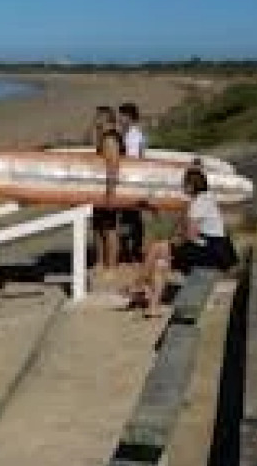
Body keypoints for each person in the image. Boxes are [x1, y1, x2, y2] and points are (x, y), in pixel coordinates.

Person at [134, 167, 238, 318]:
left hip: (211, 251)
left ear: (190, 186)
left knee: (158, 248)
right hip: (214, 248)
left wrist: (176, 244)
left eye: (184, 183)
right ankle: (152, 306)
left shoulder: (199, 203)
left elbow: (190, 234)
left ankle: (139, 285)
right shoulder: (205, 198)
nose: (182, 186)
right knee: (161, 261)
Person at [92, 107, 126, 289]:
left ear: (104, 119)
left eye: (97, 118)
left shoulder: (110, 139)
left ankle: (111, 267)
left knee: (109, 227)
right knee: (98, 226)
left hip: (109, 189)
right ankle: (101, 262)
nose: (95, 121)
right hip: (101, 189)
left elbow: (113, 166)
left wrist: (110, 193)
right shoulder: (105, 137)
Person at [118, 103, 147, 261]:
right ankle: (129, 249)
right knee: (127, 216)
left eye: (122, 116)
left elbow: (136, 158)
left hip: (131, 179)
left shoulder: (135, 135)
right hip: (126, 178)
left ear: (129, 117)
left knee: (132, 216)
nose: (120, 119)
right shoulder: (126, 134)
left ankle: (134, 249)